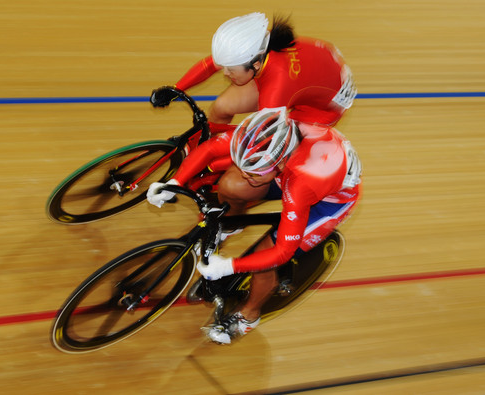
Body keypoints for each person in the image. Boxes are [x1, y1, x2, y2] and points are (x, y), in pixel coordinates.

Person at [146, 106, 362, 344]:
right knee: (230, 184)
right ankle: (231, 227)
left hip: (327, 201)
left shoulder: (302, 183)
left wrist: (229, 266)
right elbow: (209, 149)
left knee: (264, 257)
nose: (246, 174)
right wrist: (174, 182)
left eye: (254, 172)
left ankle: (249, 316)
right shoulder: (265, 134)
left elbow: (281, 253)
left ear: (279, 164)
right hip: (292, 171)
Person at [150, 12, 357, 133]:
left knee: (261, 158)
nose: (225, 73)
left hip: (320, 110)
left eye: (231, 69)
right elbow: (211, 65)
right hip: (305, 76)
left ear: (255, 65)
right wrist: (176, 89)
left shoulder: (275, 89)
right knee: (222, 107)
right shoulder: (252, 50)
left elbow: (260, 137)